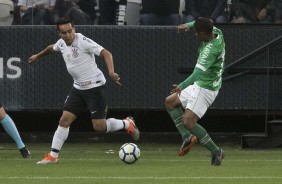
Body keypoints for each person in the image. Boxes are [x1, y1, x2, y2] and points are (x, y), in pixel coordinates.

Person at [28, 17, 140, 164]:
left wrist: (111, 72)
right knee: (64, 120)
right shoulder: (61, 43)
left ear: (74, 29)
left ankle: (127, 123)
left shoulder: (82, 41)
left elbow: (106, 53)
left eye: (70, 31)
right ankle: (53, 156)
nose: (68, 35)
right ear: (59, 33)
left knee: (99, 127)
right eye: (64, 32)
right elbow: (51, 48)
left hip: (95, 88)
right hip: (78, 88)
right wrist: (38, 55)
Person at [165, 17, 225, 166]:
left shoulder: (210, 50)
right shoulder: (216, 32)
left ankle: (216, 151)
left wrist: (182, 86)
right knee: (170, 102)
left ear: (203, 34)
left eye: (196, 32)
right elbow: (203, 22)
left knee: (188, 122)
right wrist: (188, 25)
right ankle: (186, 137)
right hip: (201, 84)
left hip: (206, 88)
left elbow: (196, 73)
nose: (195, 34)